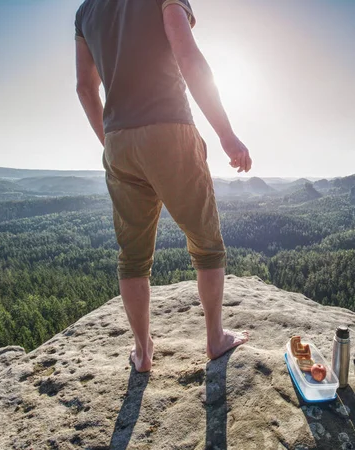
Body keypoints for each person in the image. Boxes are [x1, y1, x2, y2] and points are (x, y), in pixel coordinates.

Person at [74, 0, 252, 372]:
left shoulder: (86, 11)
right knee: (206, 244)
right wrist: (226, 134)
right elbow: (189, 59)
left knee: (133, 257)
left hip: (118, 140)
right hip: (170, 127)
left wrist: (110, 141)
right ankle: (216, 338)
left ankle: (142, 351)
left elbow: (85, 89)